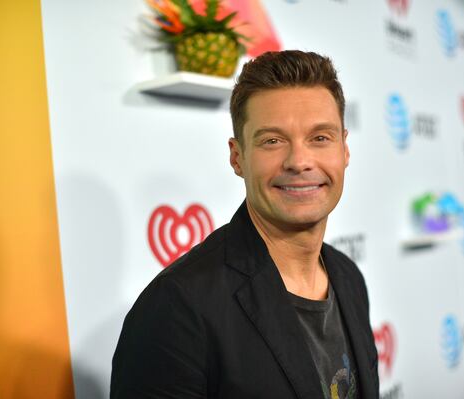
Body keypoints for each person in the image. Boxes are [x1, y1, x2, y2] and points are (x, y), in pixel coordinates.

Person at [110, 50, 379, 399]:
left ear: (344, 150)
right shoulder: (177, 308)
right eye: (272, 140)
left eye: (320, 138)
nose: (299, 161)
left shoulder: (349, 278)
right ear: (238, 157)